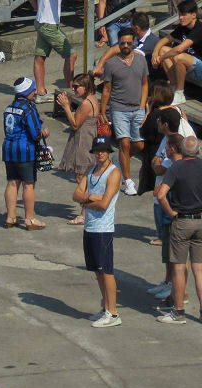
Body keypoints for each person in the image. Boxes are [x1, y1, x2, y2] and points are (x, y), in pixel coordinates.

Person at [73, 136, 122, 327]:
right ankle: (106, 309)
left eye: (103, 150)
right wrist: (89, 197)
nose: (100, 153)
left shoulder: (114, 173)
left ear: (109, 151)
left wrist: (85, 200)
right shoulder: (91, 170)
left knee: (106, 271)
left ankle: (113, 313)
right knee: (97, 271)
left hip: (103, 230)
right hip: (90, 227)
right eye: (97, 150)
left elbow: (104, 204)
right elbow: (75, 194)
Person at [155, 135, 202, 324]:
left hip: (182, 221)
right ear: (198, 151)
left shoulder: (176, 168)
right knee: (199, 269)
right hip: (200, 220)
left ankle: (179, 311)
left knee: (179, 267)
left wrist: (170, 211)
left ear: (182, 151)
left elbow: (161, 194)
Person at [99, 27, 148, 195]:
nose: (126, 45)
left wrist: (142, 105)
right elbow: (106, 89)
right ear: (118, 44)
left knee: (139, 145)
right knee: (125, 144)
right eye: (122, 43)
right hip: (119, 108)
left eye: (129, 42)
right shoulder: (111, 63)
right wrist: (103, 112)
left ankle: (119, 159)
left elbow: (145, 83)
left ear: (134, 42)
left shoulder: (141, 60)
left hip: (137, 108)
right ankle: (127, 181)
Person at [2, 77, 49, 229]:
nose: (35, 92)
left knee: (12, 182)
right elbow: (35, 133)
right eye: (33, 90)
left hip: (9, 149)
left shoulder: (9, 107)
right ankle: (29, 219)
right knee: (29, 185)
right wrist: (44, 134)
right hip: (24, 150)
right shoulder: (28, 108)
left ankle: (10, 217)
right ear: (27, 92)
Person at [57, 73, 99, 224]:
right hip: (88, 139)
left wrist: (66, 107)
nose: (73, 89)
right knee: (85, 177)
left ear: (85, 86)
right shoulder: (91, 99)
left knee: (81, 177)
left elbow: (75, 124)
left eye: (76, 87)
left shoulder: (87, 103)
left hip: (84, 142)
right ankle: (86, 211)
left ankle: (85, 213)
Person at [149, 131, 184, 310]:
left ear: (171, 148)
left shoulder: (176, 165)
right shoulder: (173, 163)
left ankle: (177, 292)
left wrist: (171, 213)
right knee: (168, 252)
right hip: (169, 212)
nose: (165, 150)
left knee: (176, 256)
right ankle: (168, 282)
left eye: (167, 147)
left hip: (174, 214)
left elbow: (160, 190)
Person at [152, 0, 202, 106]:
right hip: (191, 66)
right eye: (179, 14)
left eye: (183, 15)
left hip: (200, 68)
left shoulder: (199, 28)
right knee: (163, 50)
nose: (180, 18)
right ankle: (175, 86)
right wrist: (155, 54)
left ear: (194, 15)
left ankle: (180, 93)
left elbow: (179, 49)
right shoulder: (182, 27)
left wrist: (160, 59)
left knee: (179, 57)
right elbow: (164, 40)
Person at [93, 12, 165, 82]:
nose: (130, 27)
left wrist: (107, 69)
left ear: (136, 28)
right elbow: (115, 49)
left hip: (150, 80)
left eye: (131, 25)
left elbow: (131, 58)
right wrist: (100, 65)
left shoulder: (150, 42)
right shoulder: (138, 37)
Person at [28, 0, 77, 101]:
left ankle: (41, 93)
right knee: (71, 55)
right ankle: (69, 92)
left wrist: (38, 9)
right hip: (49, 24)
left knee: (40, 57)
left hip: (41, 21)